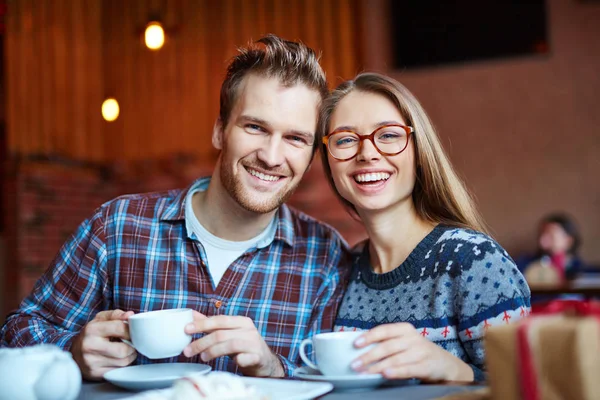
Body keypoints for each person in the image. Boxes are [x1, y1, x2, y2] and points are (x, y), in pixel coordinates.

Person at [0, 35, 350, 381]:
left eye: (295, 138)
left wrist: (275, 368)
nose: (272, 157)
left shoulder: (327, 257)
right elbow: (17, 333)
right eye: (255, 127)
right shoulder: (117, 226)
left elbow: (338, 380)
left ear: (310, 156)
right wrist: (73, 351)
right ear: (219, 131)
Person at [317, 72, 531, 383]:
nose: (367, 153)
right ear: (329, 161)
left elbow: (532, 387)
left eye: (388, 135)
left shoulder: (473, 260)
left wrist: (452, 370)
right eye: (346, 140)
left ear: (419, 151)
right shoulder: (342, 270)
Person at [516, 212, 584, 283]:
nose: (542, 242)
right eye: (541, 235)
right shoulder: (525, 264)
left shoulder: (581, 271)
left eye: (551, 237)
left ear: (568, 240)